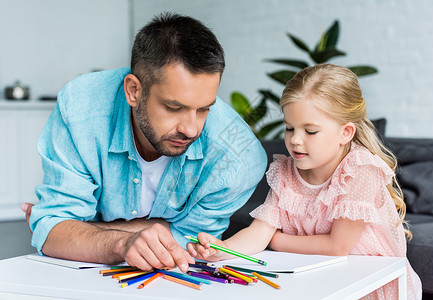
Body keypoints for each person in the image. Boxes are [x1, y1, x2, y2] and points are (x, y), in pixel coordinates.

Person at [21, 12, 267, 273]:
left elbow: (190, 243)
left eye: (204, 109)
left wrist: (76, 231)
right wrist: (121, 242)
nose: (191, 129)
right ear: (133, 91)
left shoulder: (238, 158)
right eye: (174, 107)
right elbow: (52, 235)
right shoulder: (81, 111)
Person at [187, 64, 422, 299]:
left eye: (310, 131)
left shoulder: (360, 170)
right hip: (320, 277)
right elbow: (260, 232)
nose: (295, 140)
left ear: (346, 133)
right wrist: (222, 249)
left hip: (367, 283)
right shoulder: (286, 170)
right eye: (289, 128)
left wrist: (276, 240)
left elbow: (336, 247)